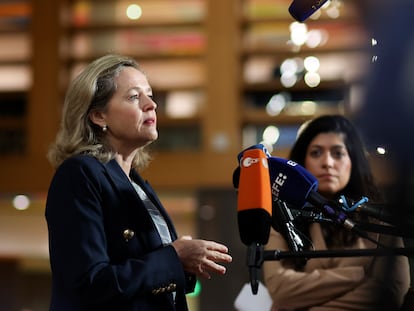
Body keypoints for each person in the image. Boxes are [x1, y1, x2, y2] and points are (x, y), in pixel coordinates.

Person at [45, 54, 233, 311]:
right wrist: (174, 256)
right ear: (99, 116)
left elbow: (147, 272)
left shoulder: (136, 183)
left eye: (150, 95)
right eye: (134, 97)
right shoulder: (79, 173)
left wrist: (183, 263)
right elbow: (89, 284)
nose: (151, 104)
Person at [262, 114, 410, 310]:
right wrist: (356, 274)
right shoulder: (282, 217)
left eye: (338, 153)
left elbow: (390, 292)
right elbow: (280, 290)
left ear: (353, 162)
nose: (327, 163)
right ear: (301, 163)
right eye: (316, 153)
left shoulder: (379, 219)